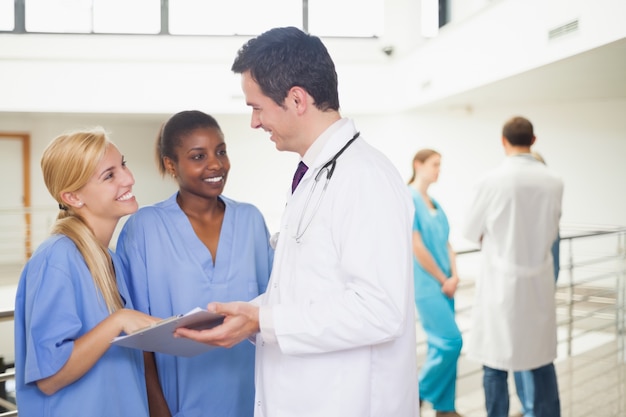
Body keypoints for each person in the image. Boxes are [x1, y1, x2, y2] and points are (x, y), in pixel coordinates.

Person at [174, 26, 419, 417]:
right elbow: (311, 289)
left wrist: (265, 320)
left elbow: (380, 310)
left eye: (257, 107)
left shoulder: (364, 177)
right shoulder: (317, 174)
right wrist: (249, 316)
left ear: (297, 99)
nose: (254, 122)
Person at [116, 110, 273, 417]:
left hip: (253, 398)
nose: (216, 164)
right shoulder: (144, 228)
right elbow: (136, 336)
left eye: (221, 151)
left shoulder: (251, 220)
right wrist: (157, 408)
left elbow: (271, 311)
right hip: (179, 403)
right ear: (170, 164)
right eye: (198, 156)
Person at [13, 128, 159, 416]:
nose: (129, 179)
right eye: (109, 175)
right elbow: (50, 379)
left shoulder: (109, 259)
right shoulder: (57, 258)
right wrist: (119, 320)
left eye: (124, 165)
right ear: (73, 197)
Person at [463, 116, 563, 417]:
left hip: (500, 288)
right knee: (541, 361)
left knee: (495, 366)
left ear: (503, 141)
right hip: (539, 286)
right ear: (533, 141)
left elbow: (471, 231)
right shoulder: (554, 181)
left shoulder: (490, 181)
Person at [409, 149, 463, 417]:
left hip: (446, 285)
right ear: (418, 165)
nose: (438, 170)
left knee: (438, 345)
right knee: (451, 342)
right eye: (434, 164)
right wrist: (444, 278)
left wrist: (454, 274)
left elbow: (446, 243)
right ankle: (416, 392)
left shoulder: (435, 203)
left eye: (440, 165)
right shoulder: (409, 198)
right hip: (428, 285)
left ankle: (445, 408)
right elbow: (416, 246)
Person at [511, 150, 562, 417]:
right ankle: (528, 405)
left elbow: (554, 263)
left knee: (535, 358)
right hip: (527, 296)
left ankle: (533, 407)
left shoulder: (545, 219)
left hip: (533, 297)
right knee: (528, 356)